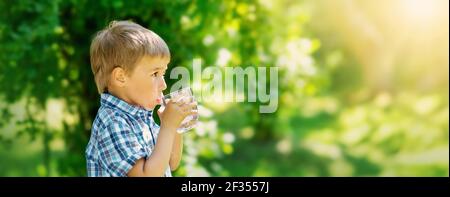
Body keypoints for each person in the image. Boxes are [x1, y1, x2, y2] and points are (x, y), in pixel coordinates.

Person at [85, 20, 196, 177]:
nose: (164, 84)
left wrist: (175, 127)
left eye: (163, 74)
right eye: (155, 74)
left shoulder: (140, 116)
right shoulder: (113, 122)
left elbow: (172, 161)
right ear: (121, 77)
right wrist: (168, 127)